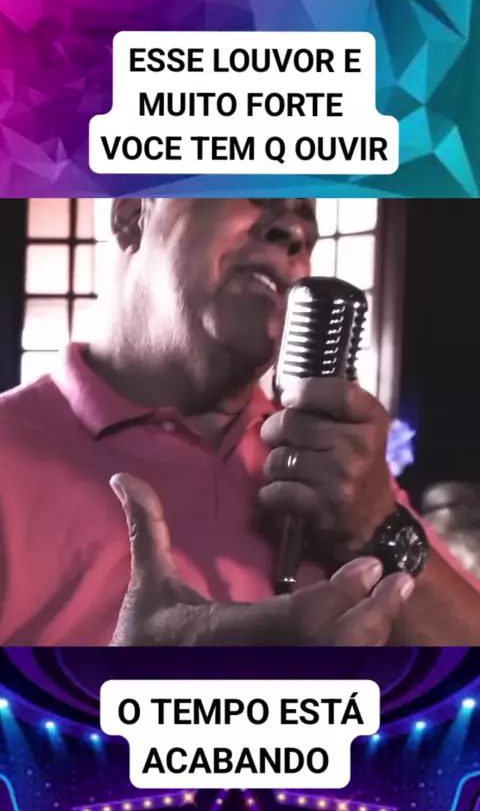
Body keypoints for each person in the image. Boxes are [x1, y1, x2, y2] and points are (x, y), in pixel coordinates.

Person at [1, 197, 479, 646]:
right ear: (130, 215)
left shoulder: (335, 463)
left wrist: (376, 523)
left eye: (305, 218)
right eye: (255, 185)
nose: (294, 230)